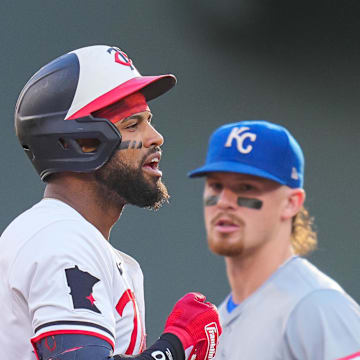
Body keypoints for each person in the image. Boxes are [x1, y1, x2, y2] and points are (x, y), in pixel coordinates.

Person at [0, 45, 221, 360]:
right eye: (133, 124)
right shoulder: (60, 240)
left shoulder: (71, 237)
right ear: (79, 143)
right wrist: (178, 346)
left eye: (149, 120)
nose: (156, 137)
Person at [188, 120, 360, 359]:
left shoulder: (316, 305)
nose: (224, 201)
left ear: (291, 203)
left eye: (245, 187)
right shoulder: (218, 320)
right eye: (216, 186)